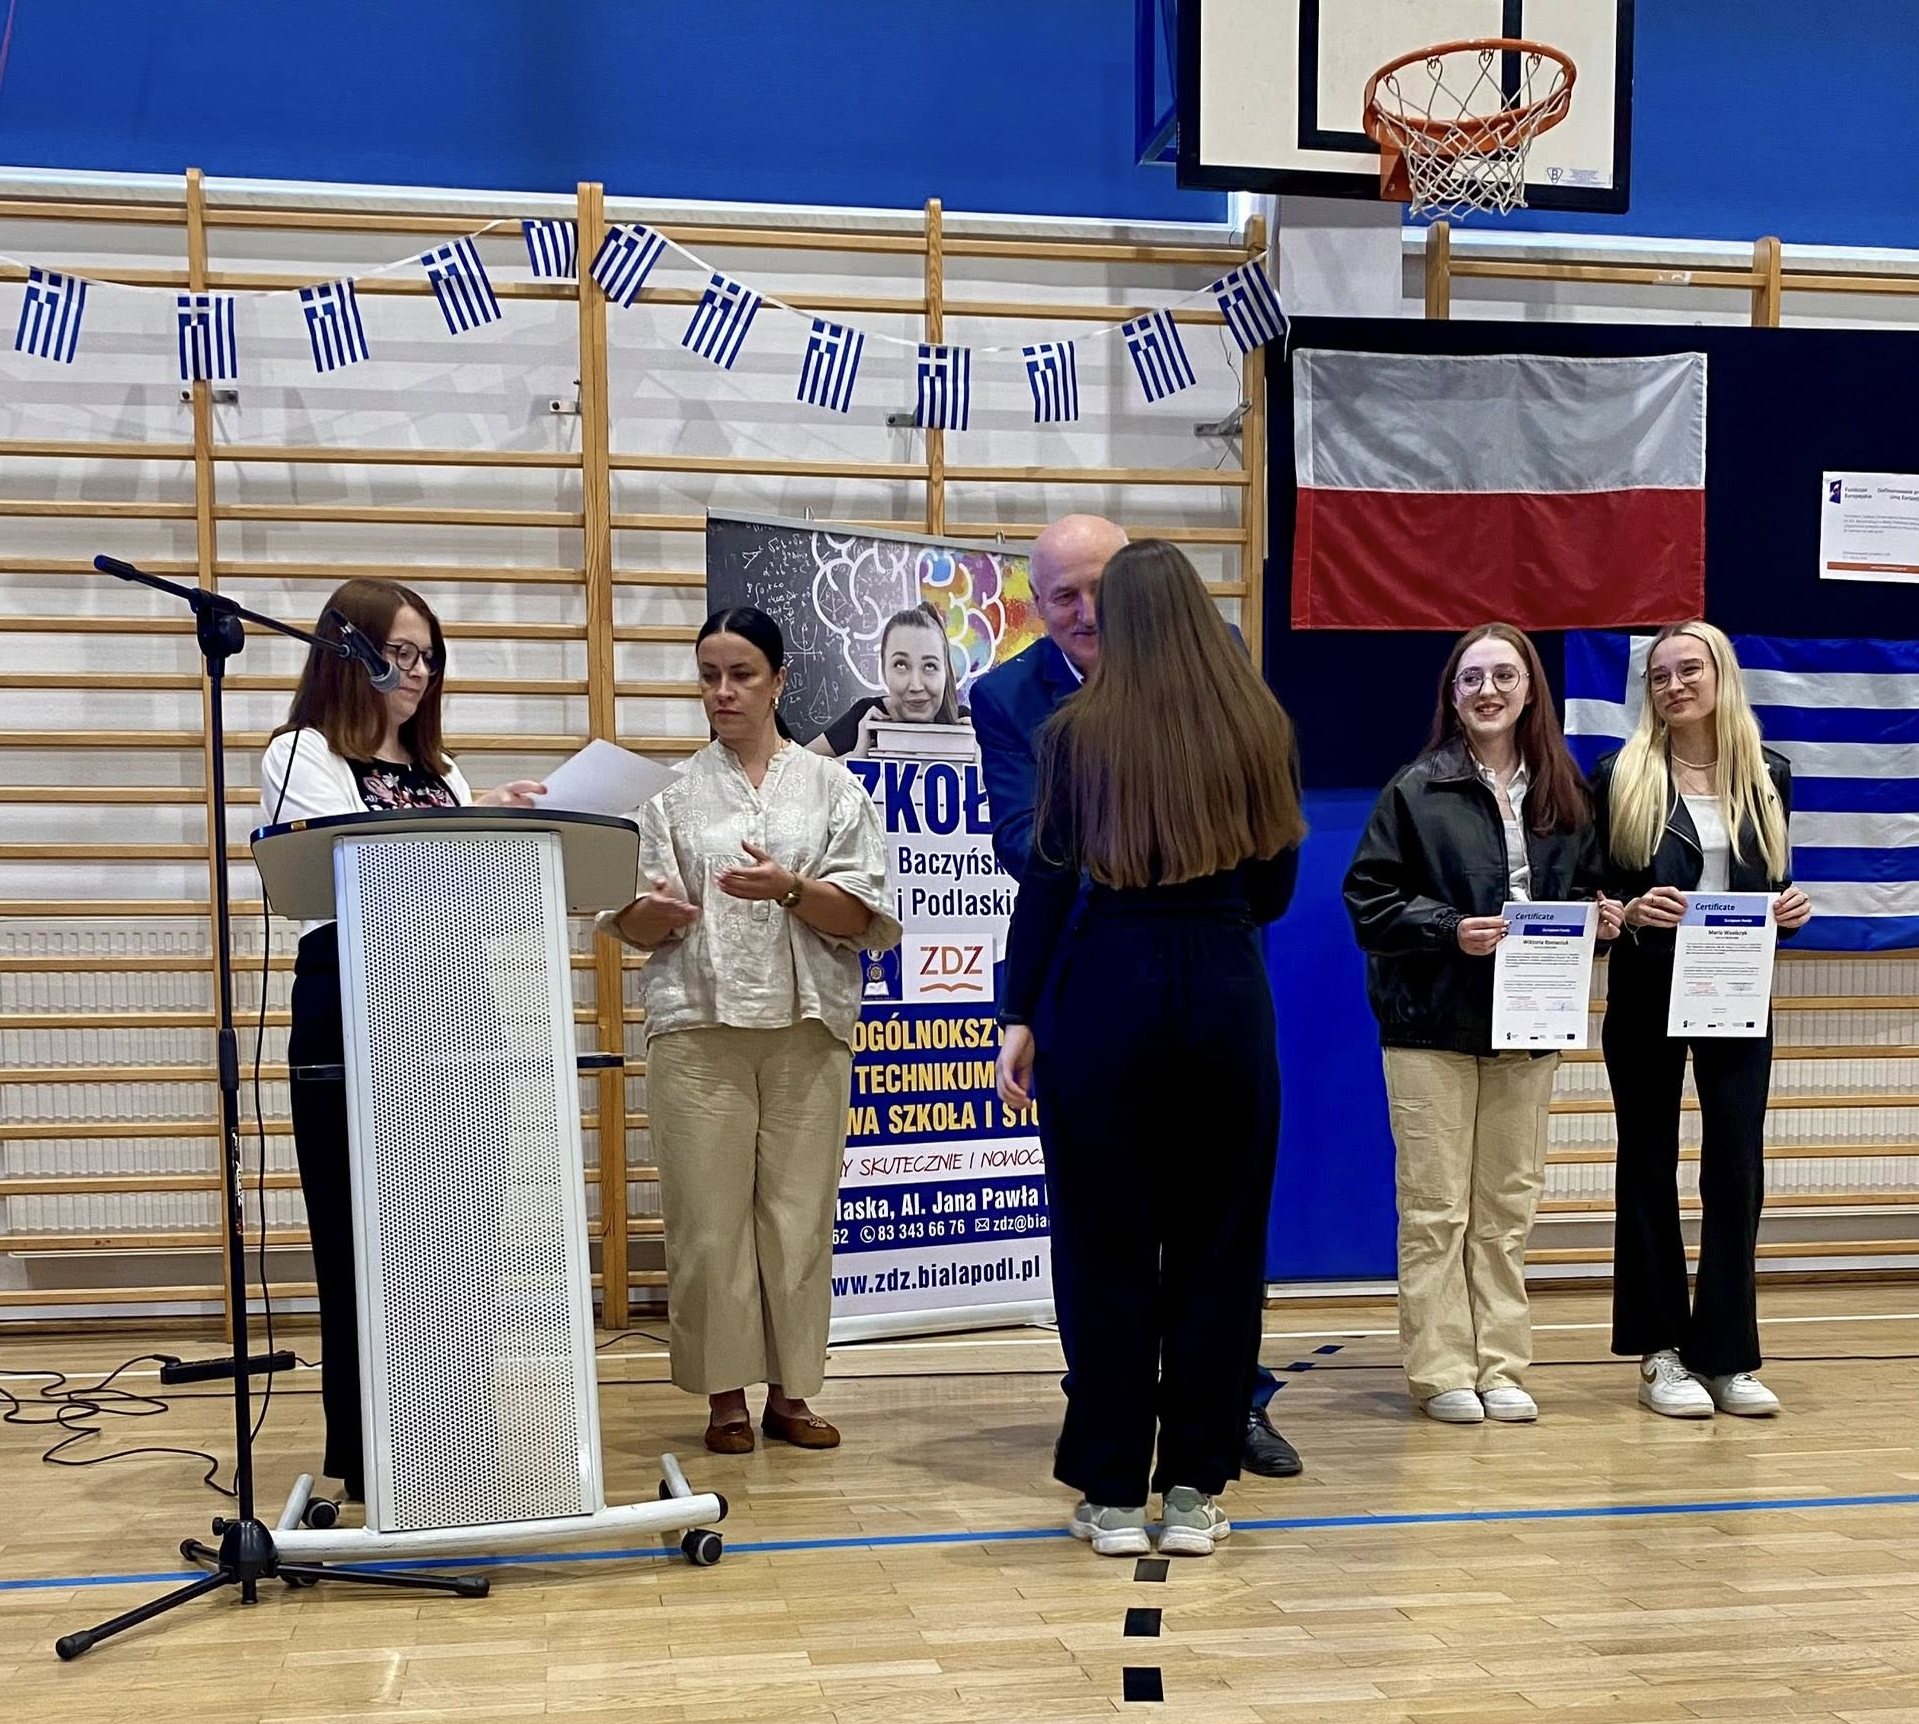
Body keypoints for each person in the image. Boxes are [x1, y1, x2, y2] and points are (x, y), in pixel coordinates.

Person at [972, 513, 1303, 1478]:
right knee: (1212, 1236)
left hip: (1107, 979)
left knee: (1111, 1236)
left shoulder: (1080, 733)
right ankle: (1197, 1475)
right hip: (1213, 979)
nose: (1087, 613)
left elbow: (1046, 872)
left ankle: (1119, 1477)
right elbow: (1275, 886)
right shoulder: (1253, 722)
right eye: (1065, 596)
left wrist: (1025, 1003)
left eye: (1101, 592)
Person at [260, 578, 546, 1502]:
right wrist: (471, 824)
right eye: (401, 654)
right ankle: (374, 1453)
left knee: (459, 1240)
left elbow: (459, 883)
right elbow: (347, 865)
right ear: (350, 654)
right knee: (364, 1240)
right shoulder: (303, 753)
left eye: (430, 657)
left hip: (453, 1004)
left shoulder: (444, 771)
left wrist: (496, 835)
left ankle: (456, 1440)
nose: (419, 673)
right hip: (353, 1002)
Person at [600, 605, 900, 1454]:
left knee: (799, 1217)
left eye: (741, 675)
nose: (722, 692)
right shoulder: (666, 794)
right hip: (697, 1026)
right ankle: (725, 1396)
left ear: (779, 681)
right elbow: (629, 921)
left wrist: (790, 889)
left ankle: (792, 1393)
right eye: (709, 676)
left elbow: (865, 917)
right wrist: (656, 912)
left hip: (809, 1026)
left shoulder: (833, 788)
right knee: (707, 1221)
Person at [1344, 625, 1622, 1425]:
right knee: (1436, 1209)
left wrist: (1602, 921)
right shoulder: (1414, 788)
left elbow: (1588, 889)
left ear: (1530, 689)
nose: (1488, 690)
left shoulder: (1566, 793)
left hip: (1529, 1027)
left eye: (1504, 675)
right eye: (1472, 678)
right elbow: (1369, 902)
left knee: (1506, 1207)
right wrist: (1448, 929)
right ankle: (1441, 1371)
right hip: (1431, 1025)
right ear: (1453, 694)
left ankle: (1502, 1364)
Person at [1591, 621, 1812, 1419]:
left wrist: (1791, 911)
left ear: (1722, 676)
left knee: (1735, 1170)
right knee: (1648, 1164)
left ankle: (1727, 1354)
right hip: (1648, 988)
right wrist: (1625, 910)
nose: (1675, 685)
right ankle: (1659, 1351)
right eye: (1660, 675)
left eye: (1690, 669)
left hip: (1736, 991)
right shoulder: (1619, 775)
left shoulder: (1768, 774)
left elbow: (1771, 884)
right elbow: (1594, 890)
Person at [810, 601, 968, 758]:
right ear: (884, 671)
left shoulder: (965, 723)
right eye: (901, 665)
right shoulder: (865, 718)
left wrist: (979, 758)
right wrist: (857, 757)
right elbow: (798, 765)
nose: (916, 685)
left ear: (945, 672)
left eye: (930, 666)